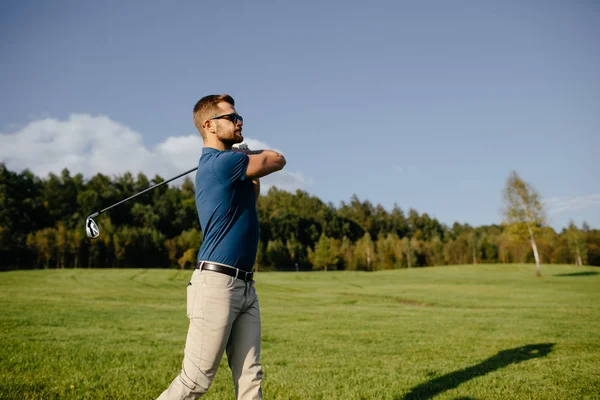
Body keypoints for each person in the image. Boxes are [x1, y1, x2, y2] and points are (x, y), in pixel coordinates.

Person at [157, 94, 286, 400]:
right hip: (217, 285)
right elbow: (276, 159)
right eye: (231, 117)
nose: (239, 121)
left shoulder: (229, 166)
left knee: (250, 378)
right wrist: (248, 152)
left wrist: (245, 159)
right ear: (209, 125)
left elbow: (250, 201)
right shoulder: (221, 162)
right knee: (195, 381)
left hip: (244, 286)